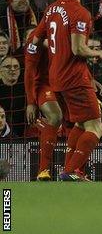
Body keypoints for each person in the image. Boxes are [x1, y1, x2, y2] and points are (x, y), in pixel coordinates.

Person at [31, 0, 102, 181]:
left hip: (55, 77)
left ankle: (72, 171)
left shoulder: (51, 9)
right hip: (73, 78)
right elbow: (78, 49)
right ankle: (70, 171)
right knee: (96, 125)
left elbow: (36, 40)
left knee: (82, 124)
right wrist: (97, 52)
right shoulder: (80, 12)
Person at [24, 31, 65, 181]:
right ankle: (43, 170)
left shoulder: (66, 33)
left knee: (85, 119)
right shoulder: (34, 40)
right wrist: (31, 102)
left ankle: (74, 170)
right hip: (44, 84)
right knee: (55, 116)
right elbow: (29, 73)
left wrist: (89, 79)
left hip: (64, 82)